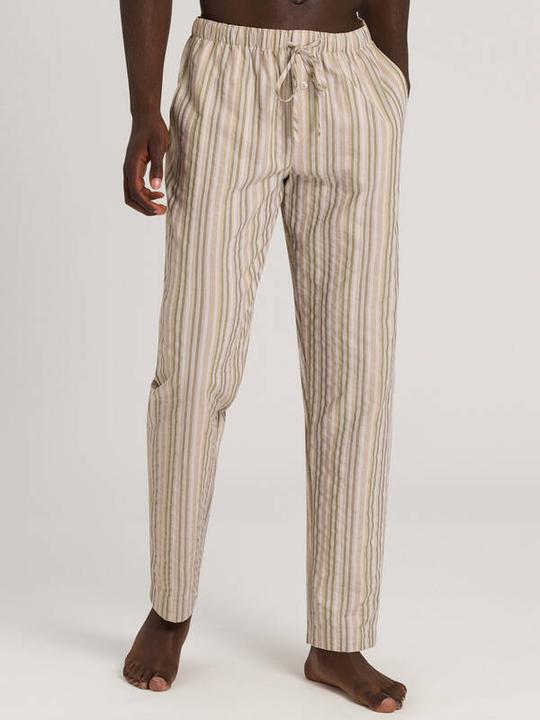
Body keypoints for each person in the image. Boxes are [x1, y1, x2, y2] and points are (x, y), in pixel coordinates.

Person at [120, 0, 410, 712]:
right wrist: (144, 104)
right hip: (228, 73)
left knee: (356, 375)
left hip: (351, 79)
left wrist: (394, 78)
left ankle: (339, 637)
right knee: (193, 367)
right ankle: (169, 607)